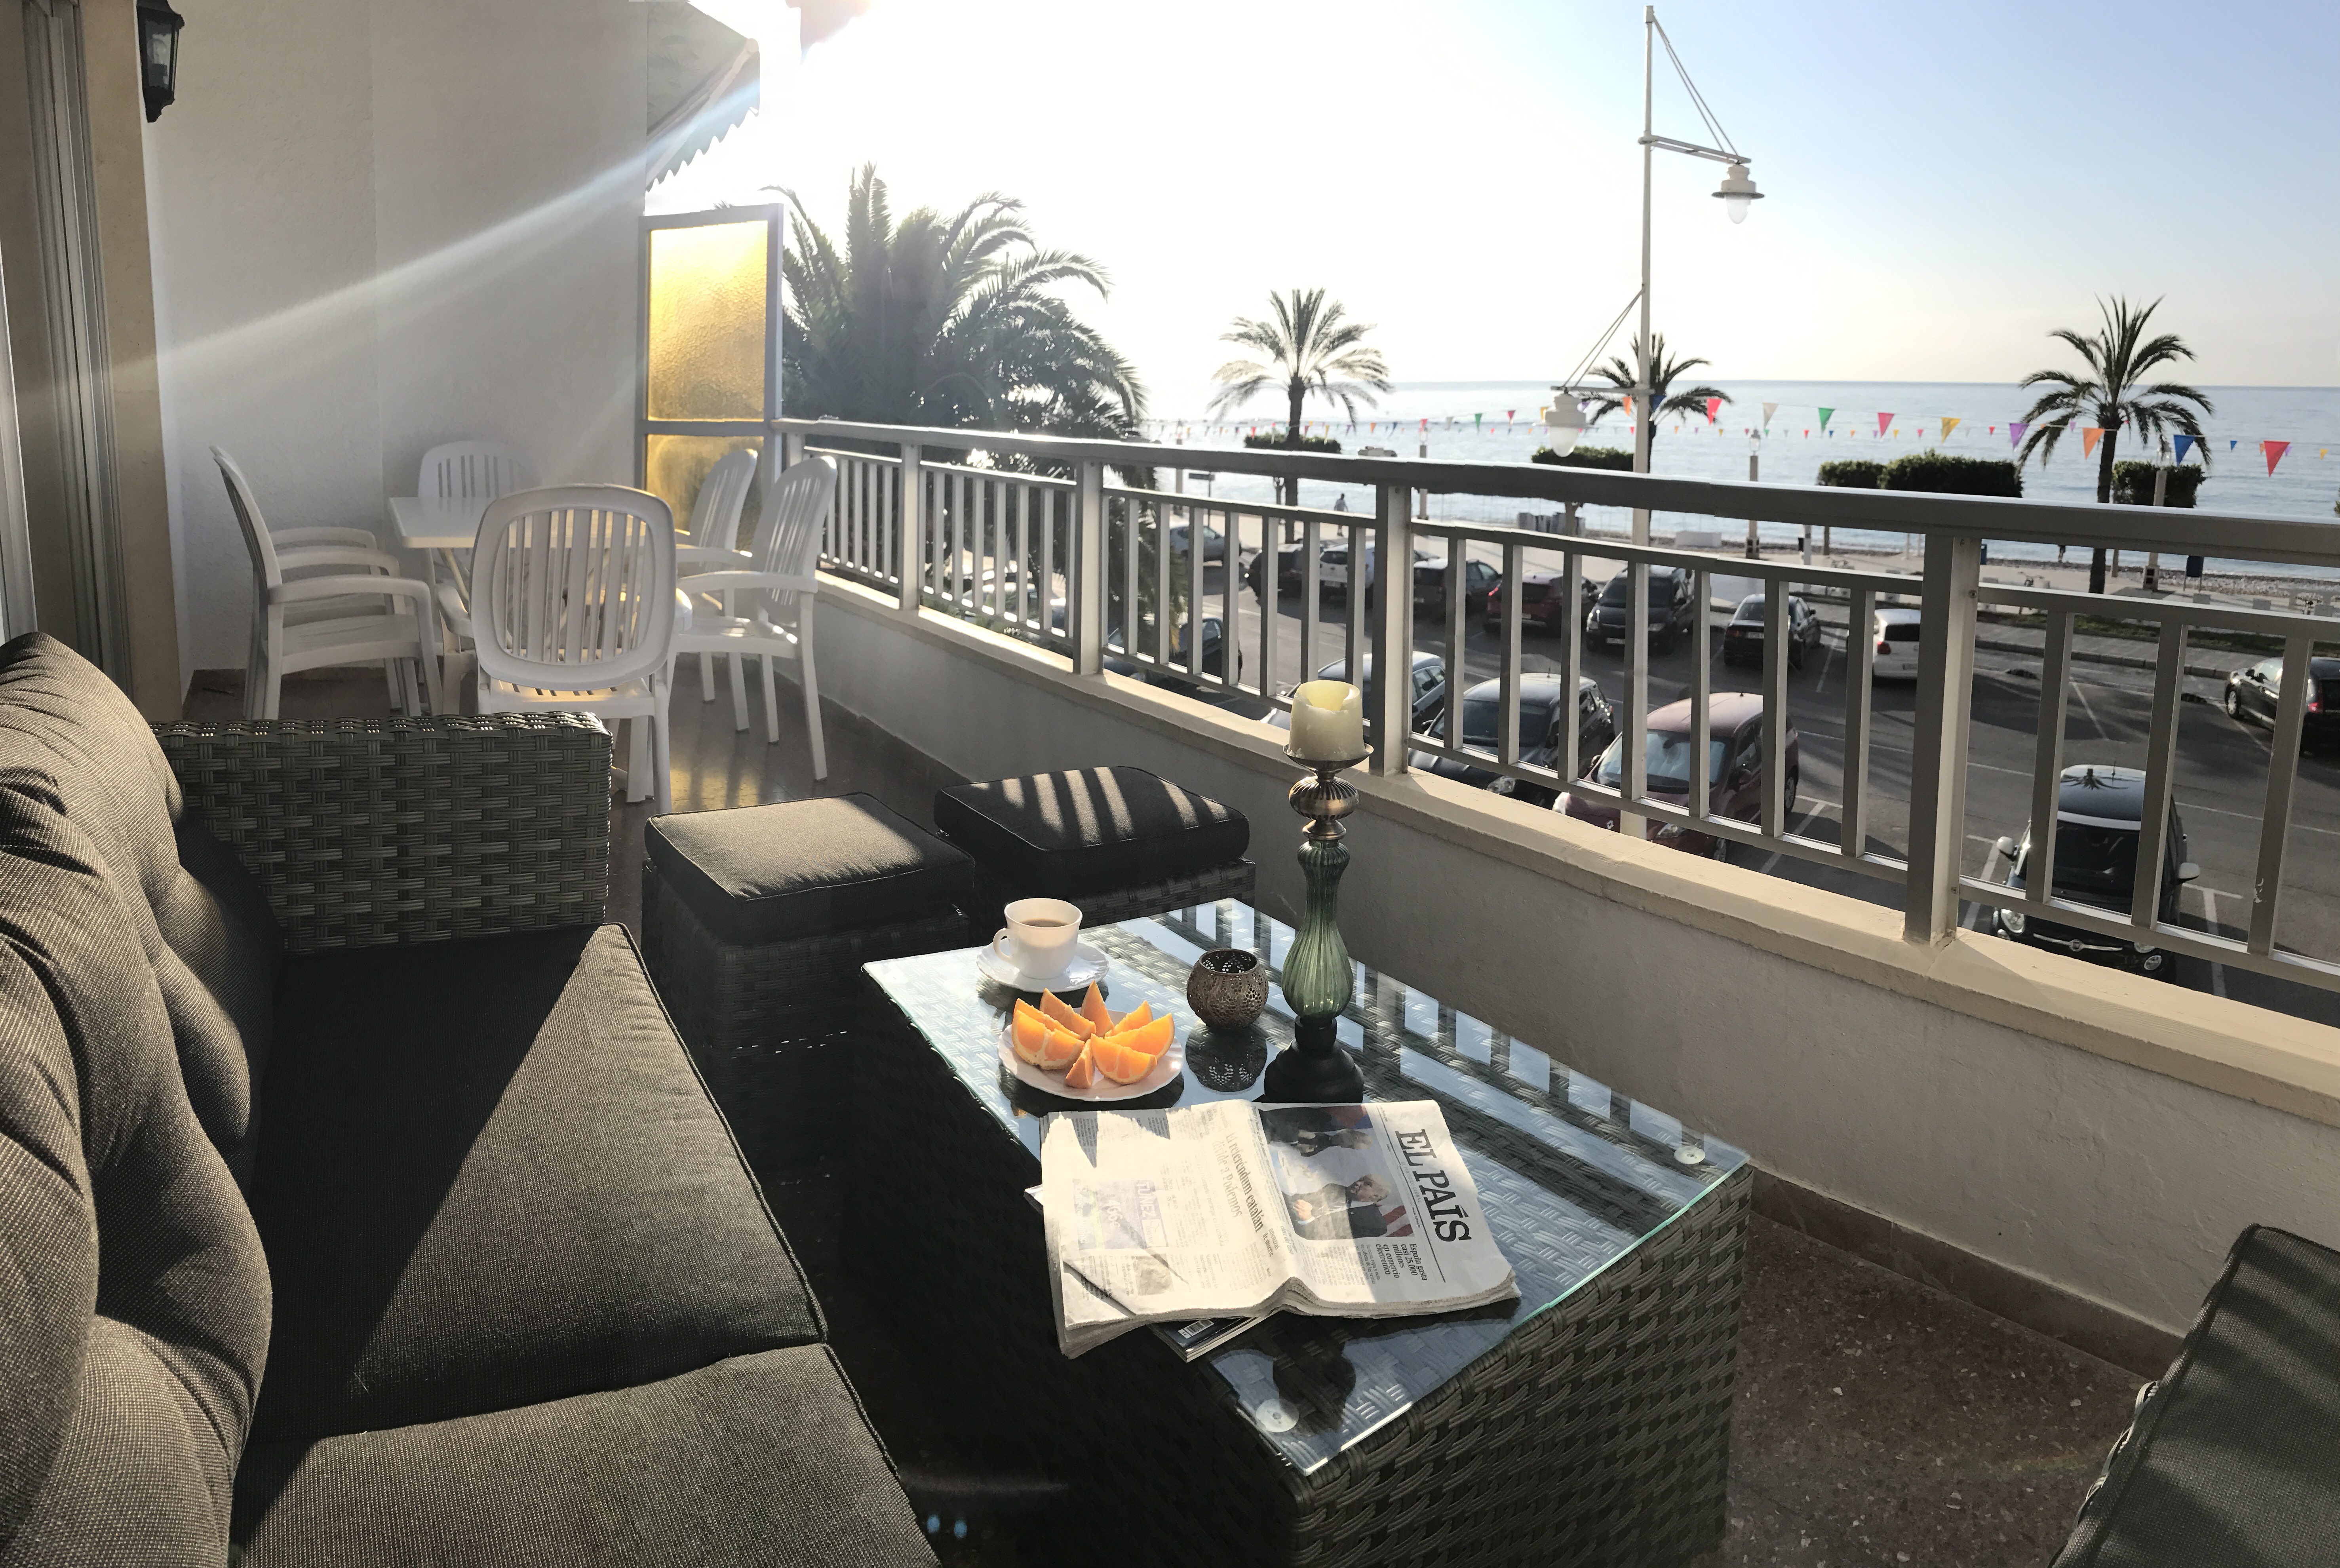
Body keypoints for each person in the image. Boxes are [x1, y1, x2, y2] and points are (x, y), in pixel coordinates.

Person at [1287, 1175, 1391, 1241]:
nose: (1358, 1183)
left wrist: (1308, 1220)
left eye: (1367, 1184)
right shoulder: (1334, 1188)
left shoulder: (1374, 1224)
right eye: (1360, 1180)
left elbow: (1335, 1243)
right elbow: (1296, 1199)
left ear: (1375, 1197)